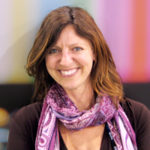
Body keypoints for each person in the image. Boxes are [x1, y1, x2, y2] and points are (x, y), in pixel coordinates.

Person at [7, 6, 150, 150]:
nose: (65, 61)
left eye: (76, 48)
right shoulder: (26, 123)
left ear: (94, 52)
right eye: (54, 50)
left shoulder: (137, 117)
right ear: (44, 58)